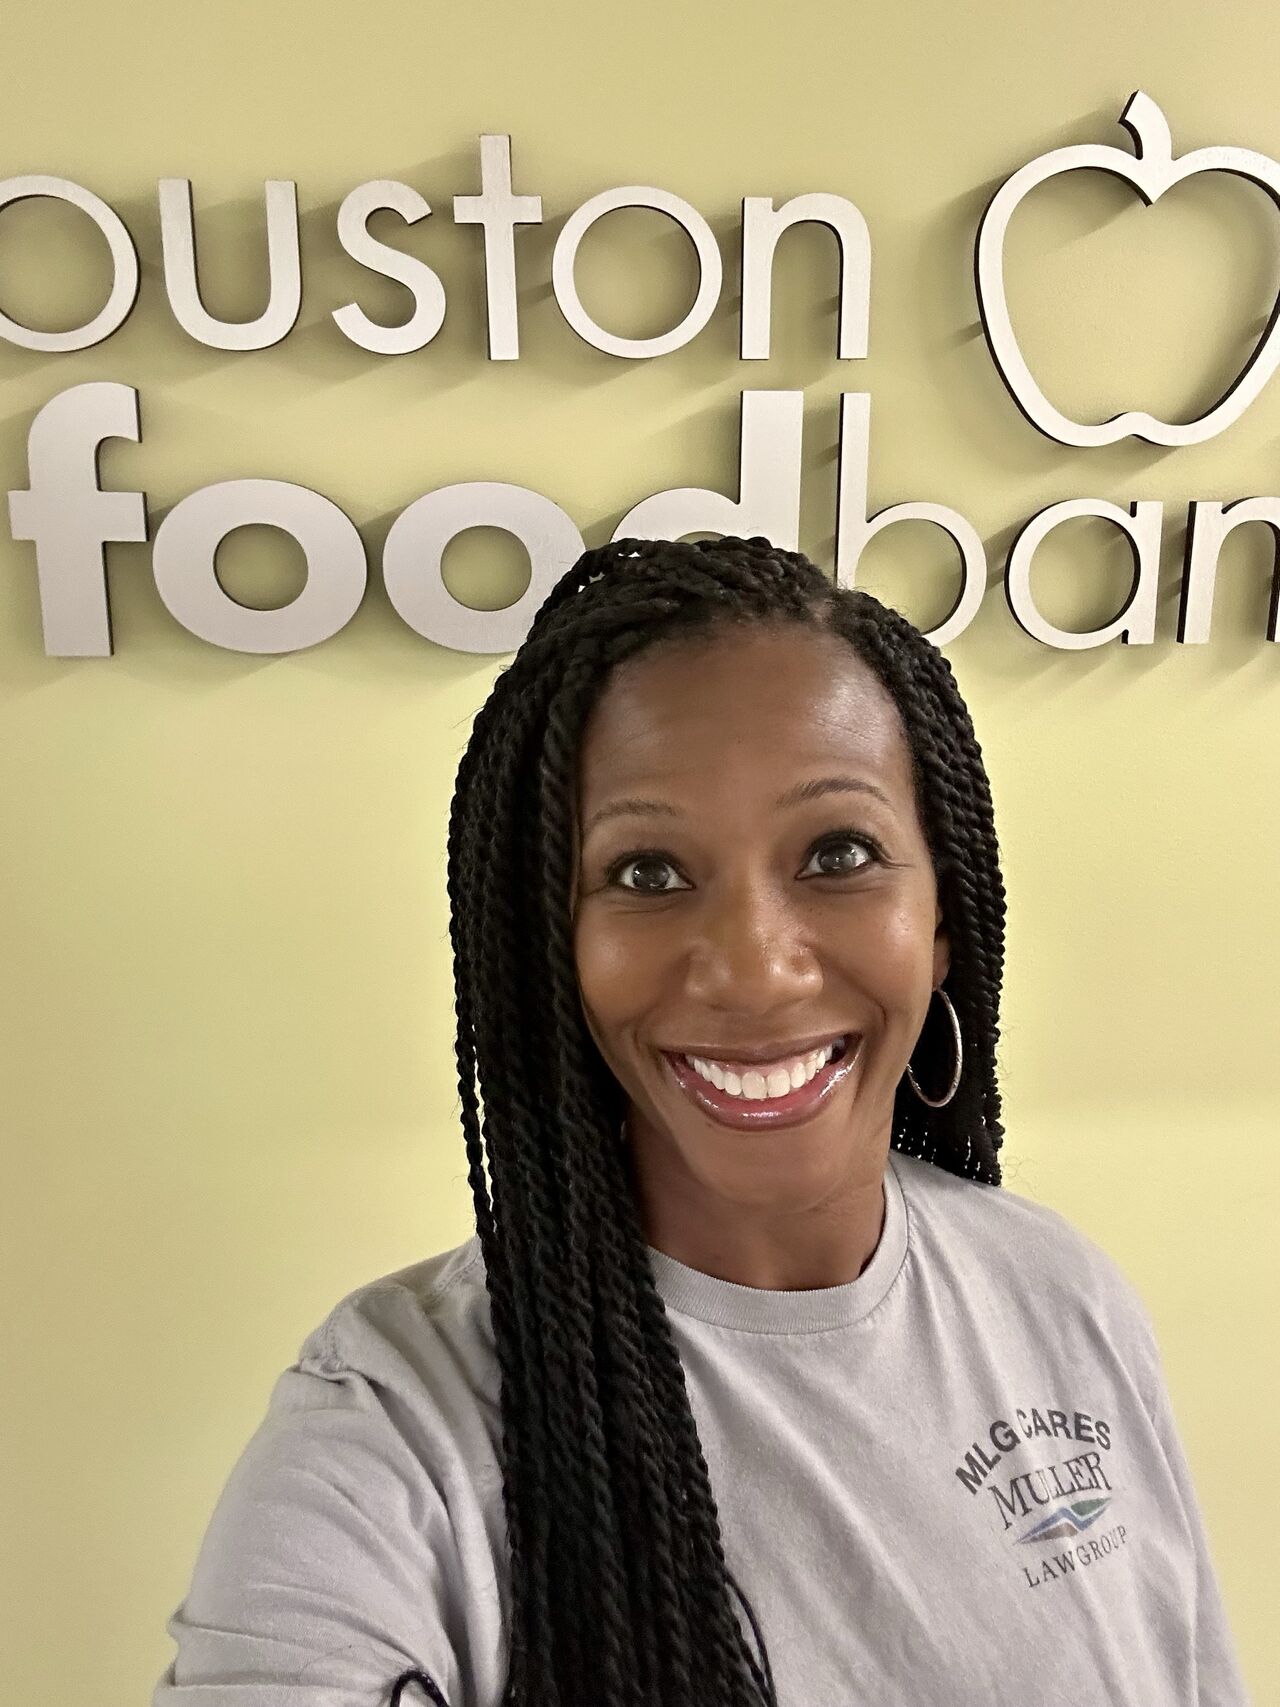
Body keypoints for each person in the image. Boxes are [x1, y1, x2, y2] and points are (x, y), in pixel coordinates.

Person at [154, 536, 1250, 1707]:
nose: (753, 972)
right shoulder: (401, 1425)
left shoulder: (1058, 1293)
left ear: (942, 920)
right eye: (645, 874)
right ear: (553, 947)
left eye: (837, 853)